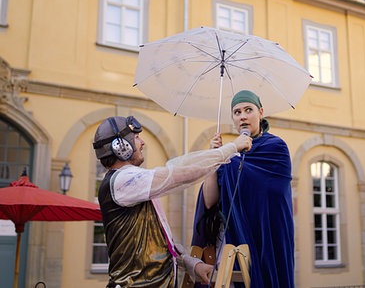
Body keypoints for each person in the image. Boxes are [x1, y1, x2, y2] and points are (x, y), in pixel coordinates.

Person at [92, 115, 251, 288]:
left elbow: (160, 241)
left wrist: (191, 263)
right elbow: (178, 173)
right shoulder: (122, 180)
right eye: (136, 138)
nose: (142, 142)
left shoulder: (132, 183)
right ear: (120, 146)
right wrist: (231, 148)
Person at [192, 90, 295, 287]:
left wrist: (229, 155)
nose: (243, 116)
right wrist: (216, 156)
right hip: (230, 243)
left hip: (265, 238)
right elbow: (209, 200)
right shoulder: (230, 152)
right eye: (237, 112)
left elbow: (266, 189)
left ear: (261, 112)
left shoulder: (276, 147)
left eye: (248, 110)